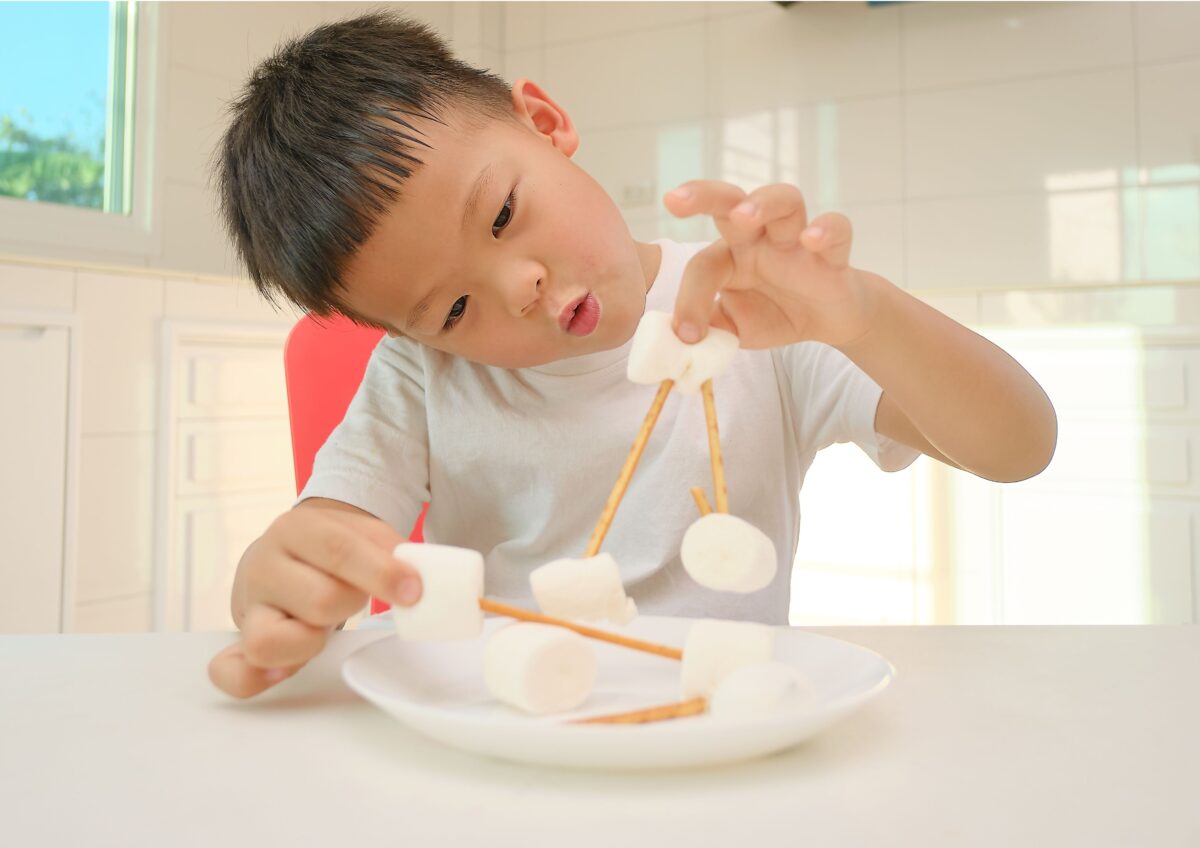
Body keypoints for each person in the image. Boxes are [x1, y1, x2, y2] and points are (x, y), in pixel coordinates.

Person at [207, 13, 1056, 698]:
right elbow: (329, 531)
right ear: (411, 334)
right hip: (514, 722)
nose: (519, 286)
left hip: (721, 724)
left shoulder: (754, 312)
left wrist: (862, 316)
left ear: (542, 123)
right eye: (455, 309)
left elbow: (1021, 447)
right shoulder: (422, 376)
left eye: (502, 215)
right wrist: (275, 584)